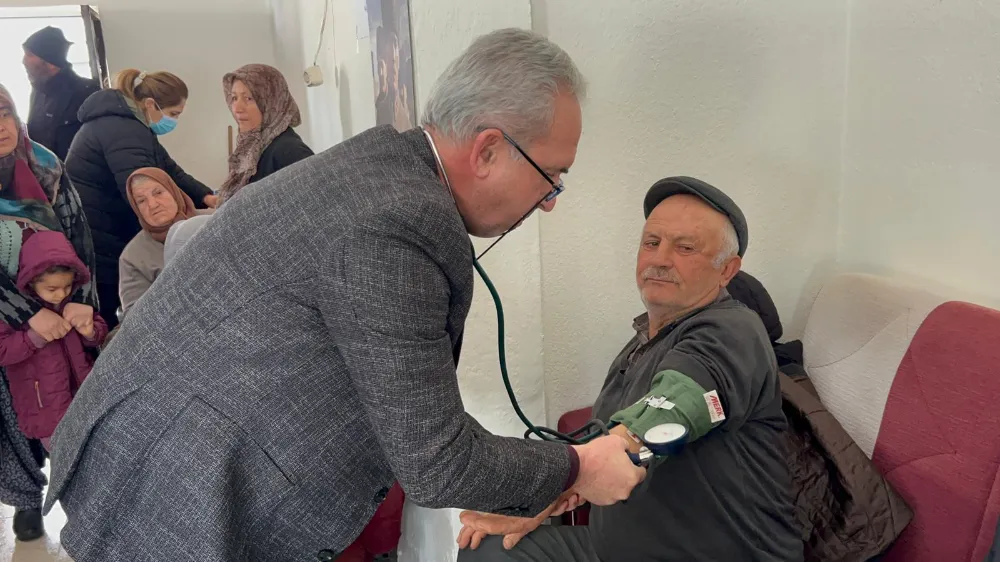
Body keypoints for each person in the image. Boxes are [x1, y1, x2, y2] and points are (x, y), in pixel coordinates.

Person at [43, 28, 644, 561]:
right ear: (487, 150)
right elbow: (436, 460)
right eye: (550, 175)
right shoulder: (403, 221)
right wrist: (578, 466)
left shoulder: (380, 161)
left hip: (161, 437)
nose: (550, 200)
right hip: (174, 477)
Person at [457, 178, 802, 561]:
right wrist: (545, 493)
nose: (660, 259)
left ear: (727, 270)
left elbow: (683, 400)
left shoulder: (734, 330)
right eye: (651, 243)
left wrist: (618, 448)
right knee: (487, 549)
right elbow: (600, 440)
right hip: (615, 548)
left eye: (685, 247)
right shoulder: (642, 343)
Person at [0, 83, 98, 543]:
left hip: (59, 297)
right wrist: (23, 313)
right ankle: (25, 497)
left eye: (4, 113)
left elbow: (79, 233)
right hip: (7, 315)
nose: (0, 126)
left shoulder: (44, 164)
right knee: (8, 409)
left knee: (63, 395)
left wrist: (83, 298)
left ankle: (81, 492)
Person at [65, 68, 216, 330]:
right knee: (112, 312)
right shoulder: (124, 130)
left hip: (101, 225)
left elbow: (170, 170)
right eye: (173, 114)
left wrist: (207, 196)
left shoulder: (131, 124)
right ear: (150, 104)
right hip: (101, 234)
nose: (174, 121)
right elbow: (140, 190)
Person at [0, 230, 108, 451]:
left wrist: (90, 332)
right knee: (66, 459)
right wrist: (33, 338)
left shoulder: (72, 302)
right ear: (31, 281)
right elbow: (3, 351)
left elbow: (99, 331)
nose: (61, 294)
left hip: (86, 397)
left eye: (67, 286)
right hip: (45, 412)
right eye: (52, 289)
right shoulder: (13, 314)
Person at [217, 64, 313, 205]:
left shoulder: (290, 152)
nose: (237, 108)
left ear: (272, 102)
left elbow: (311, 208)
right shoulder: (253, 145)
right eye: (234, 98)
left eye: (249, 98)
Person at [118, 167, 201, 319]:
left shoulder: (214, 219)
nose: (153, 204)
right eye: (141, 201)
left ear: (173, 192)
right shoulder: (132, 257)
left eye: (158, 193)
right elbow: (135, 317)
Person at [22, 26, 100, 161]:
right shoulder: (38, 93)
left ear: (51, 62)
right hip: (44, 173)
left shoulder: (88, 92)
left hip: (76, 173)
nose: (24, 61)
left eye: (29, 55)